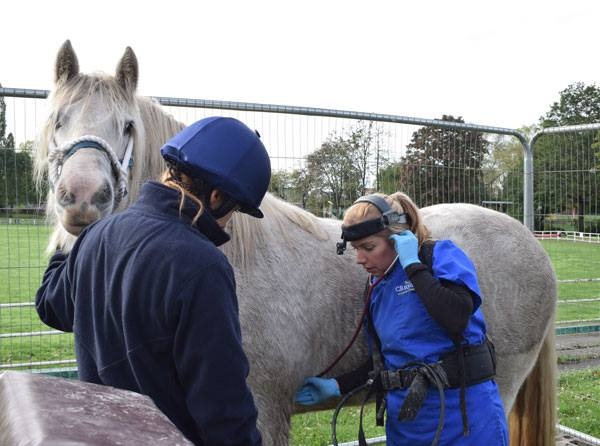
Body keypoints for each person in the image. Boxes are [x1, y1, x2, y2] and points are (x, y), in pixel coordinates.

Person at [35, 116, 270, 446]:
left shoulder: (97, 236)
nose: (230, 223)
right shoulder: (203, 266)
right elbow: (223, 407)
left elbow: (51, 307)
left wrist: (67, 237)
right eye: (237, 209)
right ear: (217, 197)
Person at [295, 193, 508, 445]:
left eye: (369, 248)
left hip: (465, 421)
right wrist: (336, 386)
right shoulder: (378, 288)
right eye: (356, 249)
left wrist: (413, 267)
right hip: (408, 426)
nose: (360, 259)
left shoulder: (439, 256)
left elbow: (457, 317)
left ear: (398, 238)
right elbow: (385, 361)